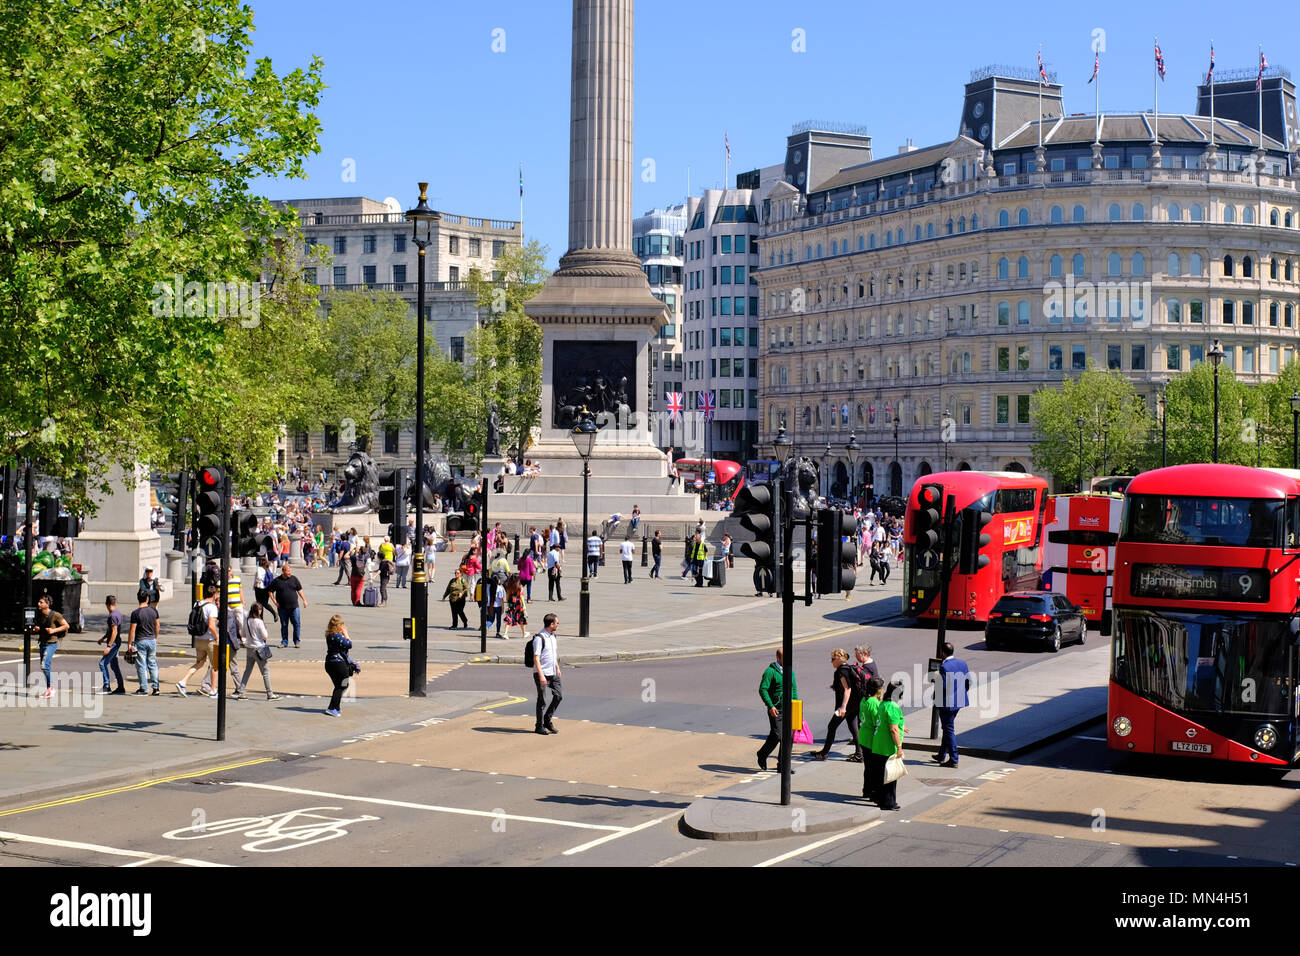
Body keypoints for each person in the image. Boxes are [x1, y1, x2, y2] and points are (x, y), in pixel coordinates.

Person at [810, 649, 860, 762]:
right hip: (854, 704)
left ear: (838, 659)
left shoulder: (841, 671)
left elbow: (847, 688)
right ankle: (859, 753)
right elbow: (847, 685)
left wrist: (843, 707)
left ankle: (824, 753)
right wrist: (836, 686)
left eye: (833, 659)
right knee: (854, 728)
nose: (831, 661)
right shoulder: (848, 668)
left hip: (846, 706)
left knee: (831, 726)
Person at [866, 681, 906, 811]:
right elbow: (893, 729)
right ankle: (888, 803)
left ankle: (879, 799)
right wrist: (899, 747)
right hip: (888, 746)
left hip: (878, 744)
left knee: (879, 774)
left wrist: (902, 727)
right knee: (890, 776)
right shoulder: (894, 707)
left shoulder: (883, 704)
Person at [757, 648, 798, 772]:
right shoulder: (770, 672)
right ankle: (762, 754)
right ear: (778, 658)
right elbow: (763, 689)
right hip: (776, 709)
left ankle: (783, 765)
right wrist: (770, 706)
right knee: (778, 735)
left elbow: (794, 690)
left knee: (789, 737)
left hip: (790, 709)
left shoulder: (791, 671)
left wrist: (797, 709)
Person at [934, 642, 972, 769]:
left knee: (949, 729)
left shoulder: (944, 667)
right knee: (947, 727)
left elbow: (944, 687)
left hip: (947, 703)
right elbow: (968, 682)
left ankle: (954, 759)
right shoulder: (962, 663)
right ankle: (941, 755)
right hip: (959, 701)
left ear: (943, 653)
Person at [176, 586, 219, 697]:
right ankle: (213, 690)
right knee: (215, 665)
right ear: (214, 595)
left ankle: (183, 681)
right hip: (210, 640)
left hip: (198, 639)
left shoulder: (197, 604)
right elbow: (211, 625)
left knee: (199, 663)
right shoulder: (212, 607)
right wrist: (217, 636)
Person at [239, 603, 279, 700]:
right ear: (258, 611)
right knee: (265, 672)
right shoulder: (259, 622)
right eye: (260, 609)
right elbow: (265, 636)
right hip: (259, 648)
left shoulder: (247, 620)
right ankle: (270, 693)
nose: (261, 611)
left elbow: (243, 634)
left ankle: (241, 691)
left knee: (247, 671)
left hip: (249, 648)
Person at [33, 594, 69, 699]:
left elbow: (66, 625)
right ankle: (49, 688)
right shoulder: (40, 614)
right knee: (44, 666)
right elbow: (42, 626)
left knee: (44, 665)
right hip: (43, 643)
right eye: (39, 602)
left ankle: (51, 688)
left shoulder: (55, 615)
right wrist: (38, 629)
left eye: (41, 602)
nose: (38, 604)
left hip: (51, 643)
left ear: (47, 604)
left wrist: (53, 630)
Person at [531, 613, 562, 734]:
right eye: (556, 623)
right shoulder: (540, 638)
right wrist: (541, 675)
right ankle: (539, 726)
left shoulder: (553, 636)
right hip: (542, 673)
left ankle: (547, 720)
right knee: (542, 700)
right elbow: (536, 658)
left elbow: (553, 655)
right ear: (551, 624)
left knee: (559, 696)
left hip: (553, 672)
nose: (558, 625)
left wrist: (557, 667)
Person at [127, 588, 161, 695]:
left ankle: (144, 688)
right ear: (147, 599)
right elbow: (157, 625)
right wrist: (156, 637)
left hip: (140, 641)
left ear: (138, 599)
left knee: (141, 665)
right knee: (152, 664)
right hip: (151, 640)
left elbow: (132, 630)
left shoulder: (135, 613)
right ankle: (156, 688)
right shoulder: (154, 611)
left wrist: (129, 643)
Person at [323, 615, 359, 717]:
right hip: (338, 664)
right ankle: (331, 708)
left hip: (330, 663)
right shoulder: (337, 636)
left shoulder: (329, 635)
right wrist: (346, 634)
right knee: (342, 685)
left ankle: (336, 707)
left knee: (339, 686)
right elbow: (349, 644)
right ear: (339, 625)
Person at [268, 563, 307, 647]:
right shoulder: (277, 581)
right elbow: (270, 591)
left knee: (296, 624)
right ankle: (284, 642)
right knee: (284, 625)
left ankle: (297, 641)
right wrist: (274, 602)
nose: (290, 572)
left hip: (294, 607)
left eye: (290, 571)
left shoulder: (294, 579)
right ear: (283, 571)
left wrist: (304, 600)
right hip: (282, 608)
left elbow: (299, 590)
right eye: (288, 571)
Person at [98, 594, 126, 694]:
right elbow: (111, 630)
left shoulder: (113, 615)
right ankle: (121, 687)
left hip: (114, 644)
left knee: (102, 663)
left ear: (106, 604)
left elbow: (114, 631)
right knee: (114, 666)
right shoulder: (117, 613)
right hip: (116, 642)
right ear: (115, 603)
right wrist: (103, 638)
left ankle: (107, 686)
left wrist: (109, 646)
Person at [502, 573, 528, 641]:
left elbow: (507, 596)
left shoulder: (508, 586)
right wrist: (524, 605)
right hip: (518, 604)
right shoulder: (519, 586)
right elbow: (521, 596)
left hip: (511, 603)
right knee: (521, 618)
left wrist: (508, 604)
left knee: (509, 617)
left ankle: (505, 633)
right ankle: (524, 633)